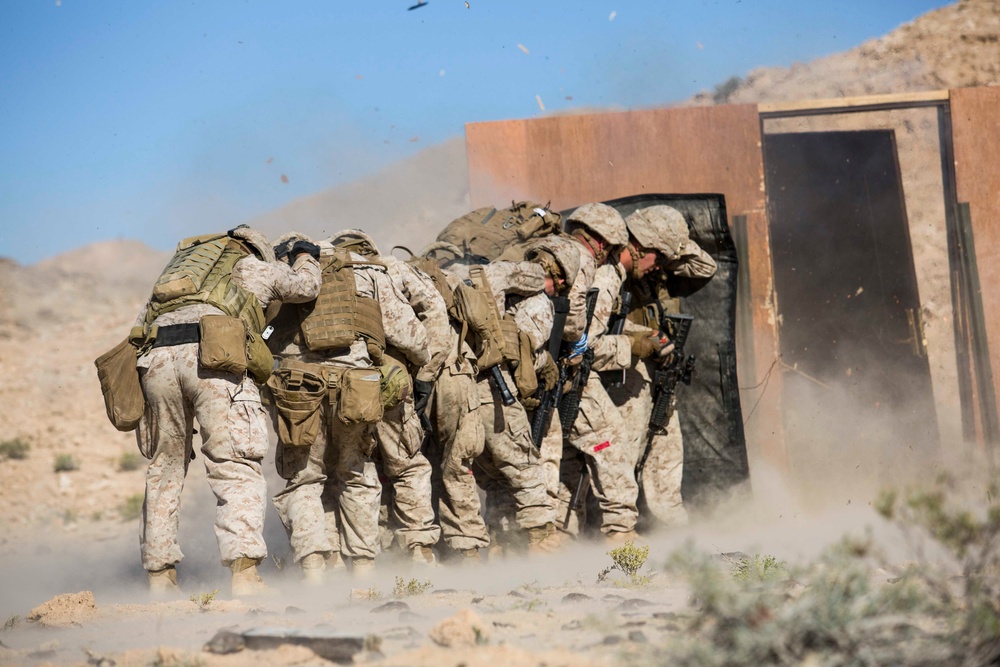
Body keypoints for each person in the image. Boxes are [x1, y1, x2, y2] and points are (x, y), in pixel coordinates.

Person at [131, 225, 322, 596]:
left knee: (164, 470)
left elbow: (139, 326)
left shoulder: (174, 276)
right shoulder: (252, 266)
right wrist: (304, 255)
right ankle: (245, 575)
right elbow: (306, 287)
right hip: (215, 359)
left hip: (156, 364)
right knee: (235, 466)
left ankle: (159, 578)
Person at [268, 234, 429, 583]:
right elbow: (412, 337)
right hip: (356, 387)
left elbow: (261, 338)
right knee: (356, 474)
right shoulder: (367, 273)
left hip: (299, 389)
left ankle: (314, 569)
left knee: (304, 479)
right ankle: (365, 570)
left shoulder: (280, 273)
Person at [330, 229, 447, 565]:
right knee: (407, 464)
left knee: (352, 471)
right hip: (386, 383)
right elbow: (415, 334)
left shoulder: (320, 276)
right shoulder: (382, 270)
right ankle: (419, 550)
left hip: (336, 389)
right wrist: (423, 374)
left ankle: (357, 561)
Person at [611, 205, 717, 528]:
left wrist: (672, 248)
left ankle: (670, 520)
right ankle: (618, 525)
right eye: (656, 255)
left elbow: (706, 266)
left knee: (667, 445)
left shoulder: (654, 273)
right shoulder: (612, 274)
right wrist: (646, 338)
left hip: (660, 368)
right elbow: (601, 328)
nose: (658, 264)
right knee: (626, 449)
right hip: (628, 369)